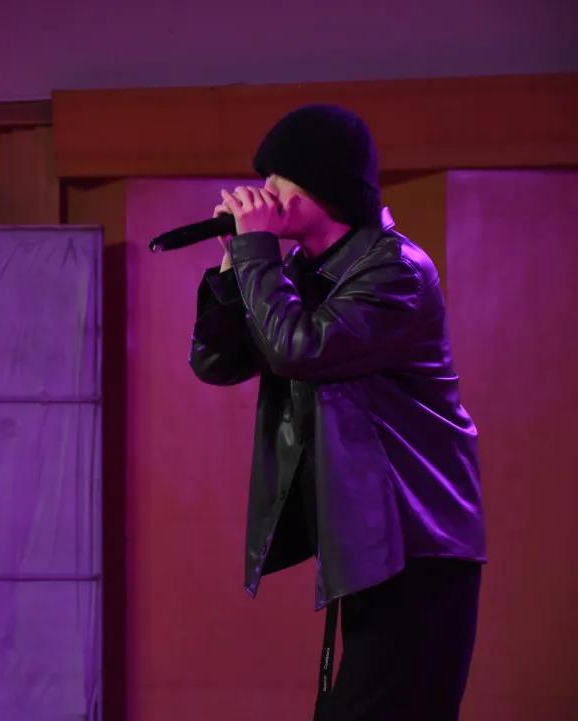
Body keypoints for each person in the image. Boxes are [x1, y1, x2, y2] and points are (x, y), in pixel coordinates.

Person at [188, 105, 486, 721]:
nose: (264, 190)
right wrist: (233, 267)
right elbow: (217, 364)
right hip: (371, 544)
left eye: (279, 176)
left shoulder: (396, 271)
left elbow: (300, 349)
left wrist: (257, 254)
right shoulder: (304, 272)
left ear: (324, 183)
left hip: (419, 545)